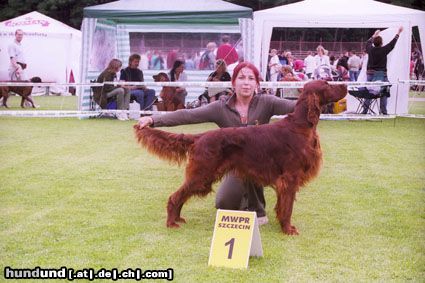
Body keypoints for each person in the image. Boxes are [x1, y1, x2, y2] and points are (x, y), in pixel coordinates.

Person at [136, 62, 296, 225]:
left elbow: (297, 107)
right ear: (233, 82)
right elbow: (188, 115)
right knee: (224, 203)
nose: (246, 82)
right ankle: (177, 207)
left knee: (253, 166)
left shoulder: (267, 102)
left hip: (261, 163)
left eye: (251, 78)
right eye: (241, 78)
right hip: (230, 161)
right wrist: (153, 119)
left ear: (257, 83)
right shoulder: (221, 107)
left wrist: (312, 91)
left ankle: (257, 211)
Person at [362, 26, 403, 115]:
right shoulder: (384, 50)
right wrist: (398, 33)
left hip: (370, 75)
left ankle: (365, 110)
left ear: (374, 43)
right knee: (384, 92)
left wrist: (374, 35)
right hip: (382, 75)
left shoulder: (370, 49)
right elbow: (392, 44)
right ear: (381, 43)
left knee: (369, 92)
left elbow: (368, 43)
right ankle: (383, 111)